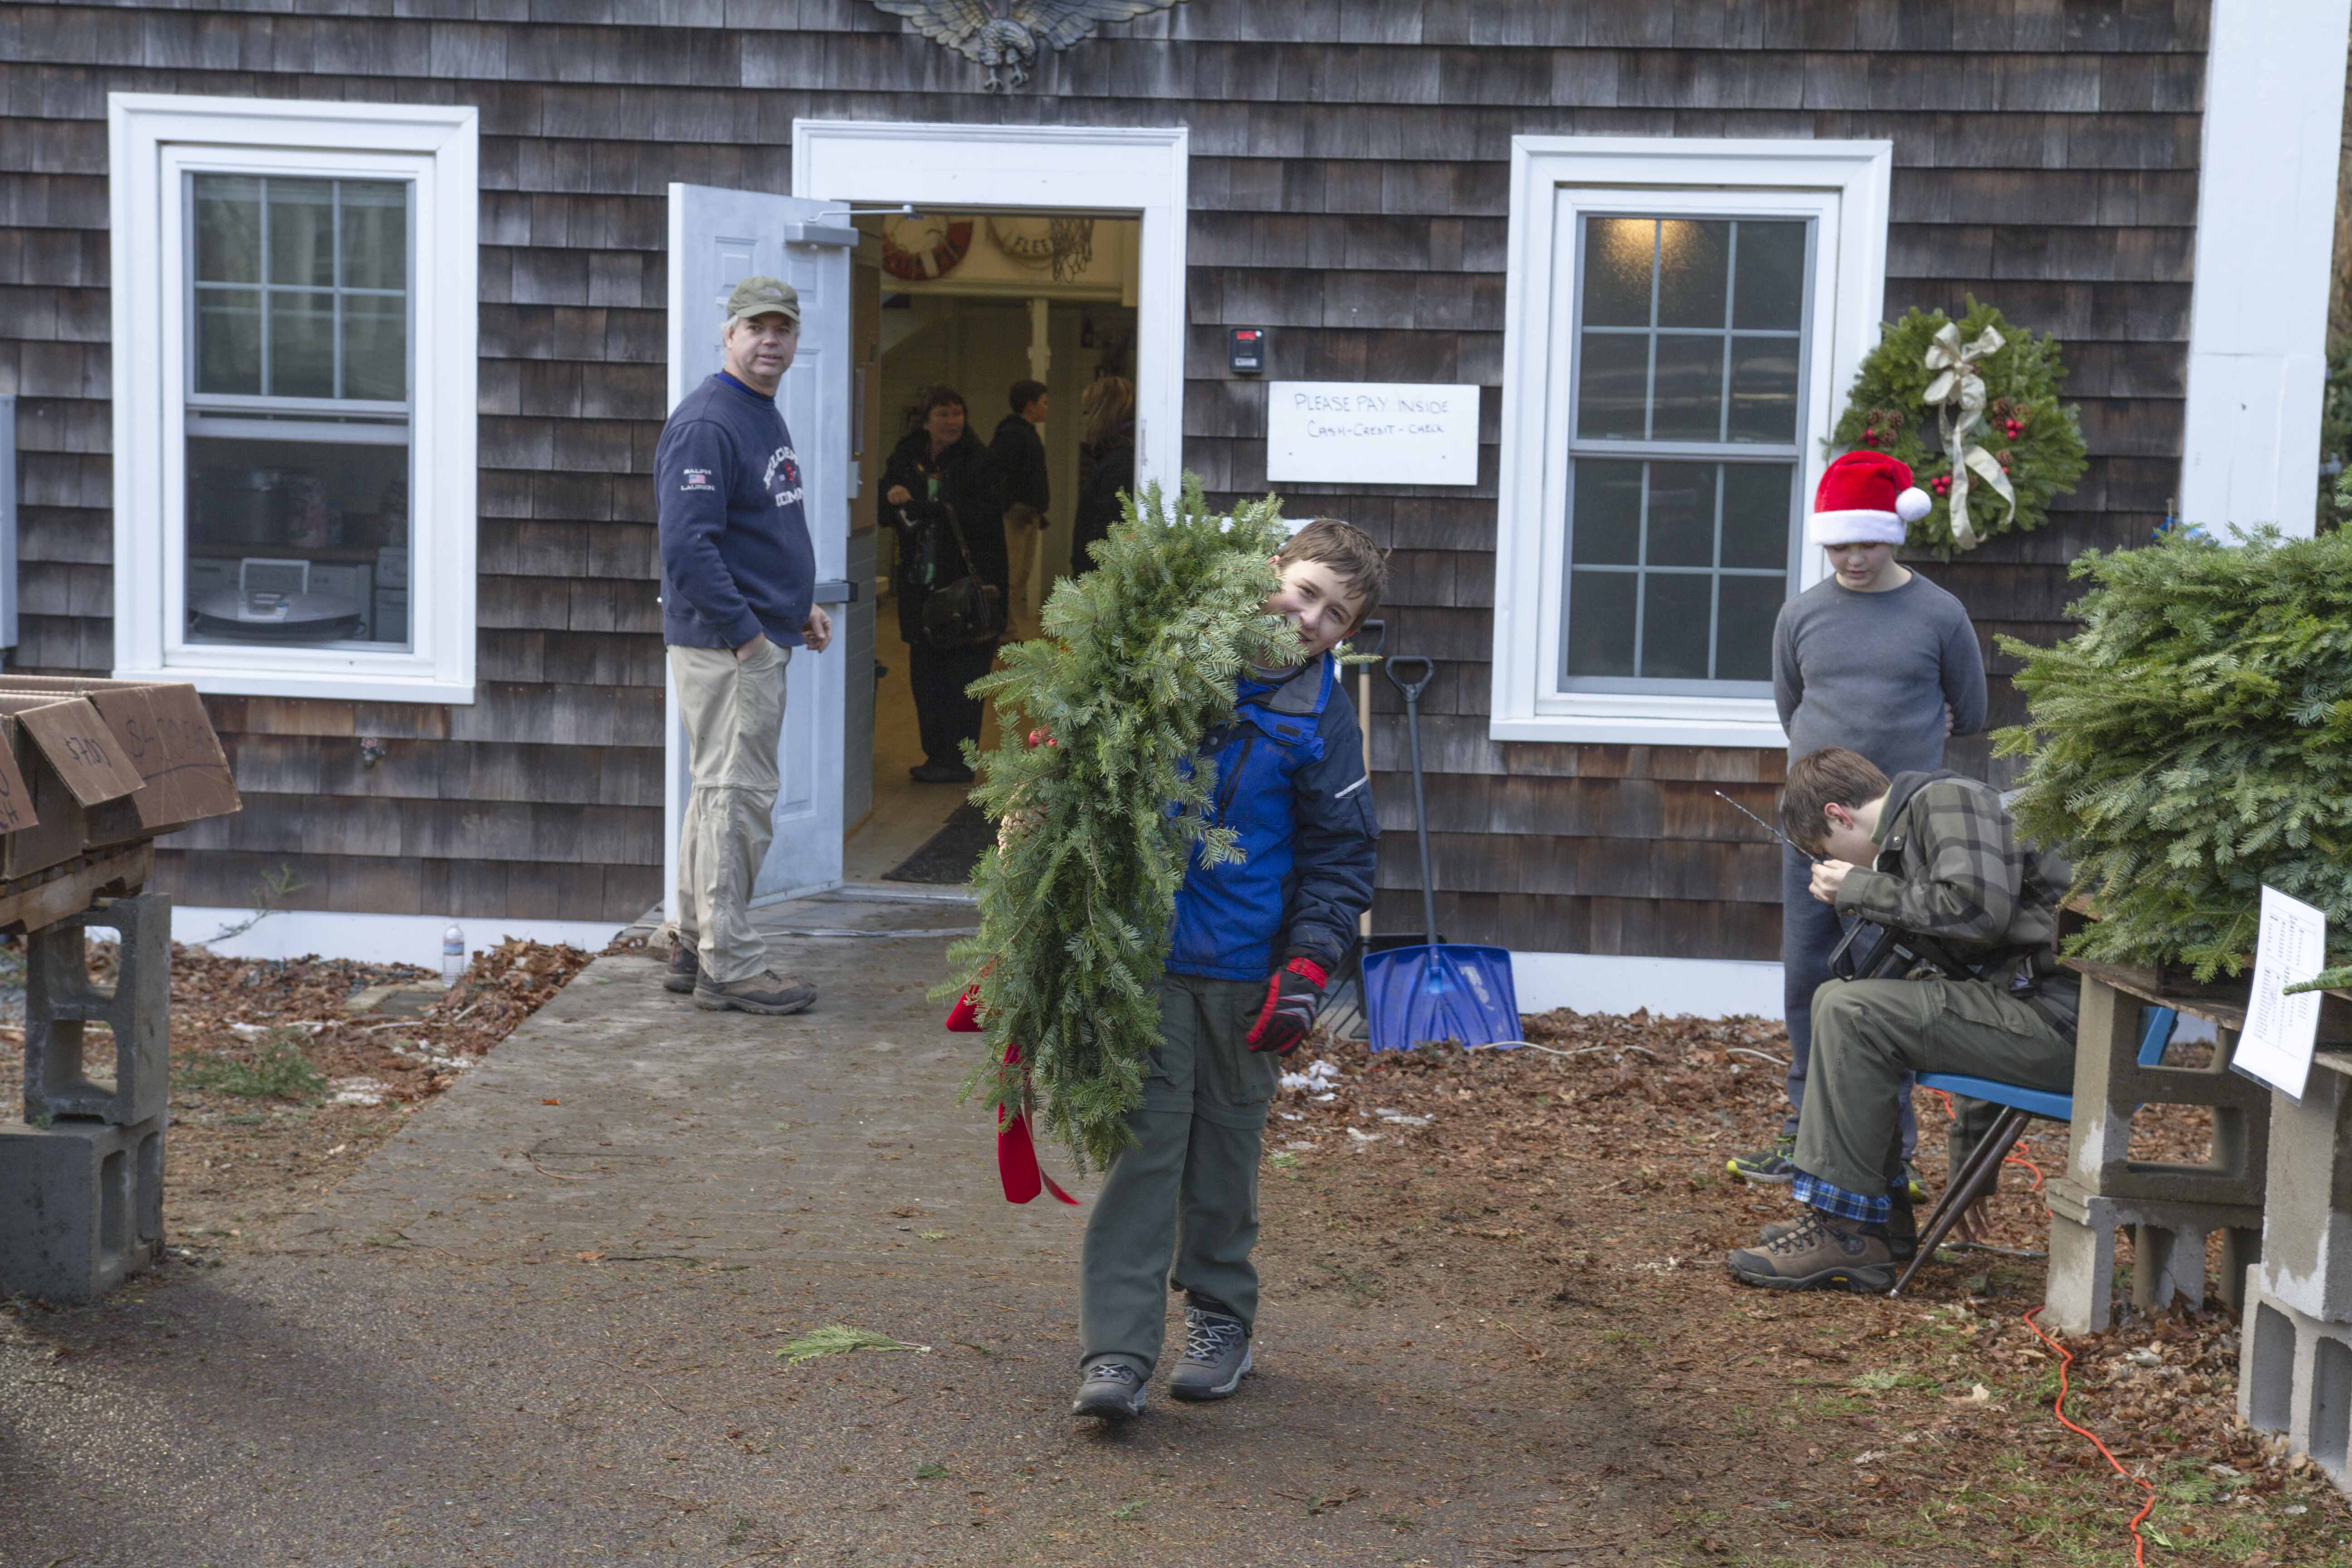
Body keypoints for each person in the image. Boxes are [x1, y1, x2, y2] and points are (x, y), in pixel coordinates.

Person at [1071, 519, 1386, 1421]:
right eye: (1304, 591)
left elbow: (1340, 857)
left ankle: (1220, 1321)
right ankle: (1117, 1353)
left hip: (1248, 971)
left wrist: (1309, 966)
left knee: (1224, 1158)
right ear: (1269, 571)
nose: (1309, 618)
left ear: (1345, 634)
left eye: (1334, 614)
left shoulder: (1320, 716)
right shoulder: (1173, 661)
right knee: (1144, 1155)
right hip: (1146, 960)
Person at [1724, 747, 2076, 1294]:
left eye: (1825, 852)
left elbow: (1975, 912)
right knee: (1840, 999)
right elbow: (1979, 999)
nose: (1833, 865)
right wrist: (1971, 1168)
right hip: (2042, 1020)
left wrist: (1858, 888)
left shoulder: (1945, 800)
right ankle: (1877, 1222)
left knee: (1852, 1010)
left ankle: (1848, 1233)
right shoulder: (1926, 826)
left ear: (1839, 816)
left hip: (2070, 1031)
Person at [1728, 450, 1986, 1195]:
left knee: (1884, 980)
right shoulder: (1801, 615)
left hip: (1898, 839)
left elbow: (1969, 710)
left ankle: (1885, 1152)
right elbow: (1793, 712)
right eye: (1838, 545)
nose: (1852, 559)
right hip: (1811, 831)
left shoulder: (1939, 615)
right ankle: (1801, 1132)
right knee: (1808, 973)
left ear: (1892, 535)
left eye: (1866, 543)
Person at [654, 276, 833, 1016]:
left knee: (717, 795)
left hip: (752, 634)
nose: (770, 340)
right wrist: (750, 638)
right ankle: (729, 965)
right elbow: (687, 548)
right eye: (755, 327)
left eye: (781, 329)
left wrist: (797, 606)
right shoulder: (708, 423)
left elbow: (759, 528)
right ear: (727, 335)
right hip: (729, 651)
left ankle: (693, 941)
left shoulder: (758, 411)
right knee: (738, 801)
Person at [882, 384, 1009, 784]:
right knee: (926, 678)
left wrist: (926, 506)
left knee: (964, 679)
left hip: (965, 590)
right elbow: (886, 506)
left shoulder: (980, 461)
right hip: (920, 586)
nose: (952, 421)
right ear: (926, 420)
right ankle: (936, 755)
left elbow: (985, 516)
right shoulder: (907, 456)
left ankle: (959, 760)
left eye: (957, 413)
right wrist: (894, 496)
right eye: (943, 414)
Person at [992, 379, 1052, 641]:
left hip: (1029, 515)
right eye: (1044, 403)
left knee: (1021, 575)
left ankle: (1006, 629)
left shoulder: (1027, 433)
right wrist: (1011, 505)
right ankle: (1003, 632)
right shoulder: (1012, 434)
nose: (1047, 408)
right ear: (1030, 405)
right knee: (1010, 576)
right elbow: (998, 475)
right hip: (1014, 517)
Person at [1067, 375, 1135, 574]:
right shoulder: (1116, 457)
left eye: (1088, 412)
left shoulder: (1118, 462)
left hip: (1100, 578)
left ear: (1101, 413)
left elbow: (1109, 529)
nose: (1086, 420)